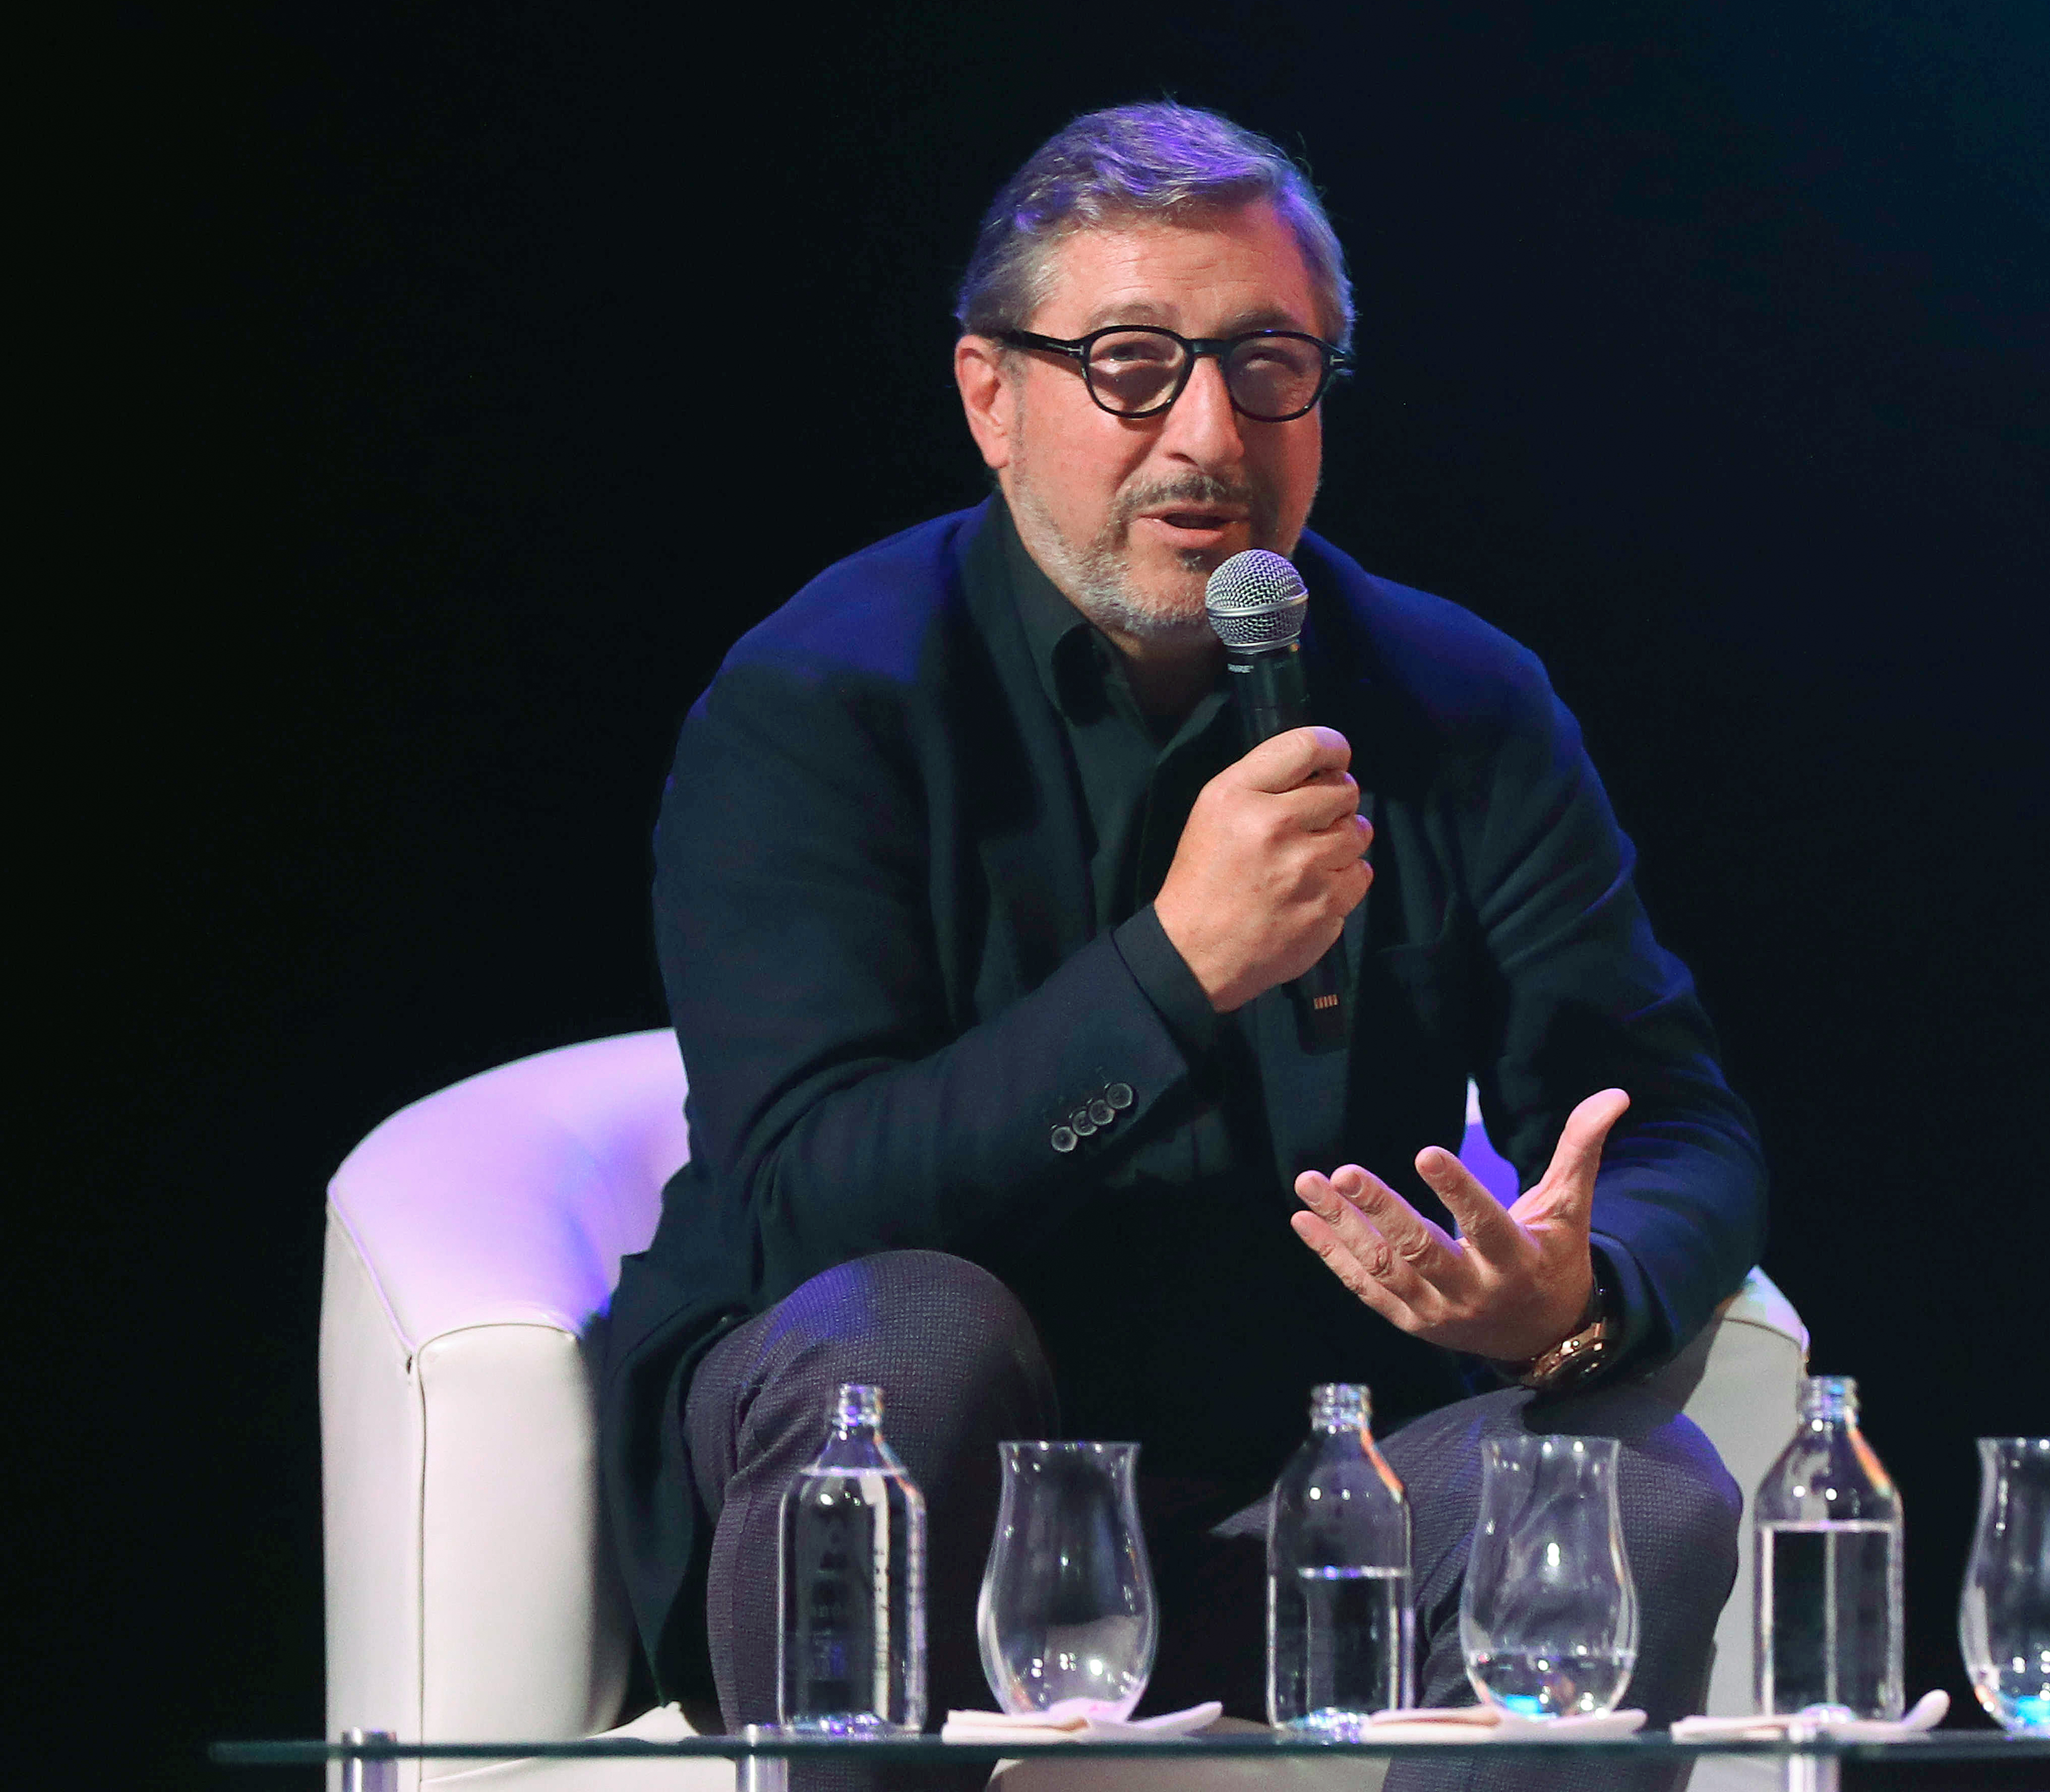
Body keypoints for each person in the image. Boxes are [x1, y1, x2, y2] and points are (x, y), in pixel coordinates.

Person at [589, 102, 1768, 1781]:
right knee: (911, 1338)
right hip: (895, 1482)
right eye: (1133, 365)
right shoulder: (821, 702)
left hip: (1302, 1502)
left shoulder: (1458, 705)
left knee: (1634, 1492)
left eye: (1269, 362)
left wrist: (1580, 1295)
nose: (1209, 433)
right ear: (992, 397)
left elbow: (1674, 1120)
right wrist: (1174, 969)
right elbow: (802, 1209)